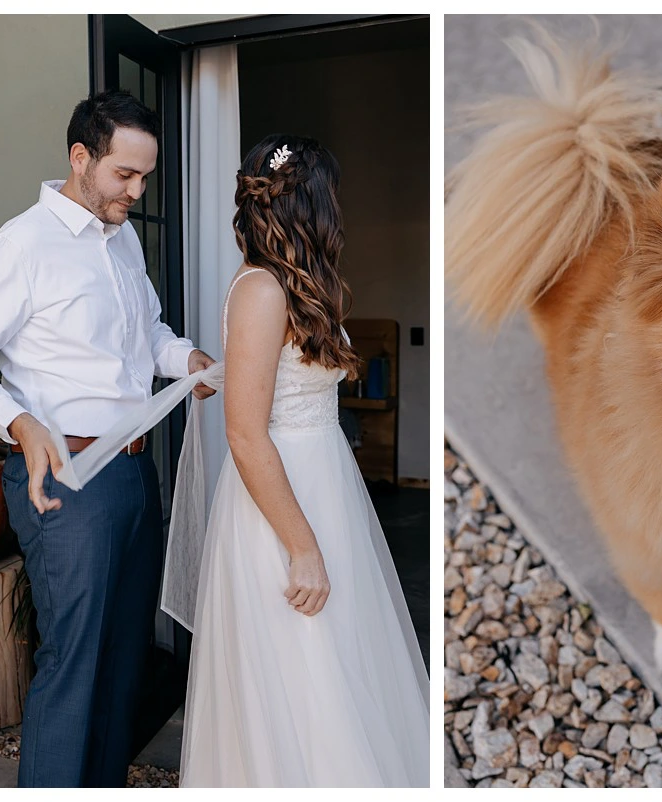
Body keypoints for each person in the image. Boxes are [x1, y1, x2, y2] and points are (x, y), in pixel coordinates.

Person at [0, 90, 216, 787]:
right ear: (80, 157)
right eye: (125, 174)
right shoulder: (24, 244)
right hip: (64, 477)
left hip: (133, 472)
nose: (137, 191)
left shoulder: (123, 242)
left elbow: (147, 335)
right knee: (74, 662)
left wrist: (188, 360)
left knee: (122, 660)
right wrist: (19, 421)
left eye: (145, 176)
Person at [177, 135, 430, 786]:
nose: (338, 208)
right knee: (304, 667)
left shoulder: (299, 284)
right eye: (332, 195)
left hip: (324, 485)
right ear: (312, 203)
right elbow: (244, 433)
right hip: (281, 504)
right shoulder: (262, 290)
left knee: (340, 662)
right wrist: (302, 546)